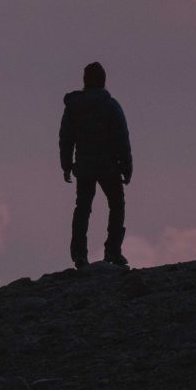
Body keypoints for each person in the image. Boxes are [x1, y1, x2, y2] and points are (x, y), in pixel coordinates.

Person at [58, 60, 132, 268]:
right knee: (116, 205)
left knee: (82, 208)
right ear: (103, 81)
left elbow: (66, 137)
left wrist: (66, 165)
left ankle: (79, 255)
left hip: (84, 165)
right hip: (108, 165)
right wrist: (126, 166)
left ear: (85, 81)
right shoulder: (110, 106)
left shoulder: (74, 107)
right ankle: (113, 251)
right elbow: (121, 137)